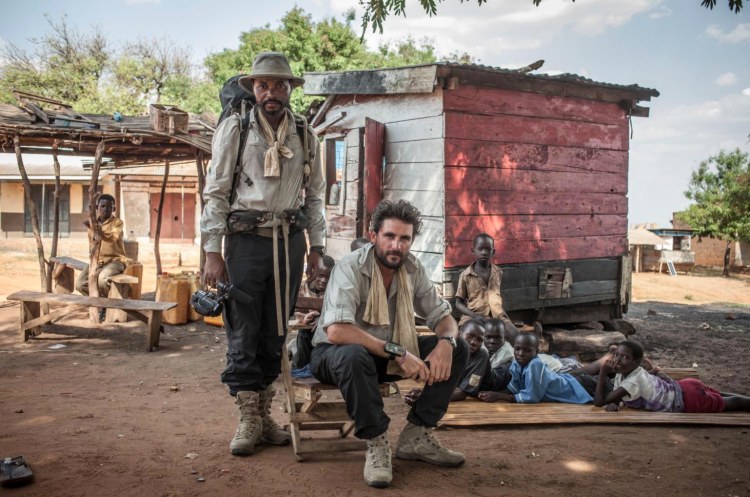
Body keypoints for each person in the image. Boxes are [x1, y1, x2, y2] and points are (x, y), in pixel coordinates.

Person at [200, 51, 326, 456]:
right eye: (263, 85)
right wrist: (212, 252)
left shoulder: (306, 134)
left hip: (287, 241)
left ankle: (266, 415)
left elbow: (315, 197)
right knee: (243, 330)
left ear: (290, 89)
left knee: (276, 330)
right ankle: (247, 418)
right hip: (244, 243)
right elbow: (216, 194)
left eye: (279, 84)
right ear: (253, 89)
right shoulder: (235, 129)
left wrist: (316, 248)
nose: (271, 92)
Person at [310, 199, 469, 488]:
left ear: (411, 241)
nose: (397, 246)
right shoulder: (350, 267)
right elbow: (337, 332)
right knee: (353, 354)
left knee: (461, 348)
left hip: (386, 353)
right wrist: (399, 351)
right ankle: (376, 442)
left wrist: (446, 342)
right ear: (374, 236)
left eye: (404, 238)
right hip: (332, 356)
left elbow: (444, 317)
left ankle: (416, 435)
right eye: (390, 236)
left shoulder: (412, 269)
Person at [594, 340, 750, 413]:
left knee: (733, 403)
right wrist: (614, 402)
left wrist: (602, 373)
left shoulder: (633, 381)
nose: (618, 360)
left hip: (688, 399)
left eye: (625, 357)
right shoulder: (632, 373)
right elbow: (617, 395)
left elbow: (598, 402)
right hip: (684, 386)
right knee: (720, 395)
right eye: (617, 355)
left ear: (636, 362)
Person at [477, 333, 592, 404]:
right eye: (517, 349)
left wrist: (499, 396)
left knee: (604, 393)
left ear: (536, 352)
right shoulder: (517, 363)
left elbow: (531, 397)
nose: (521, 354)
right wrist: (492, 394)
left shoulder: (535, 364)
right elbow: (514, 388)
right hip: (573, 381)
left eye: (527, 350)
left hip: (579, 387)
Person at [454, 233, 520, 337]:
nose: (484, 252)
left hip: (497, 316)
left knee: (516, 334)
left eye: (488, 249)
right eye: (480, 249)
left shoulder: (498, 272)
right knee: (467, 336)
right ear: (473, 251)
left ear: (493, 252)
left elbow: (496, 298)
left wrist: (506, 319)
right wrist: (475, 316)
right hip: (473, 316)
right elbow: (458, 303)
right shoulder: (465, 275)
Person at [76, 194, 129, 321]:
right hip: (97, 261)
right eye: (103, 206)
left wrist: (98, 230)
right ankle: (102, 302)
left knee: (102, 279)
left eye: (109, 207)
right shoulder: (92, 224)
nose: (105, 209)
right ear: (97, 207)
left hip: (115, 261)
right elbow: (92, 244)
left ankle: (105, 307)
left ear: (114, 209)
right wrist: (92, 261)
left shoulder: (117, 223)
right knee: (80, 284)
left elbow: (112, 238)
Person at [291, 255, 335, 370]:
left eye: (328, 277)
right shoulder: (301, 289)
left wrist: (321, 318)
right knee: (303, 334)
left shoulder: (333, 291)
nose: (324, 281)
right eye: (320, 276)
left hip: (323, 331)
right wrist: (305, 317)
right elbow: (294, 313)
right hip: (306, 330)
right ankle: (299, 367)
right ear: (313, 273)